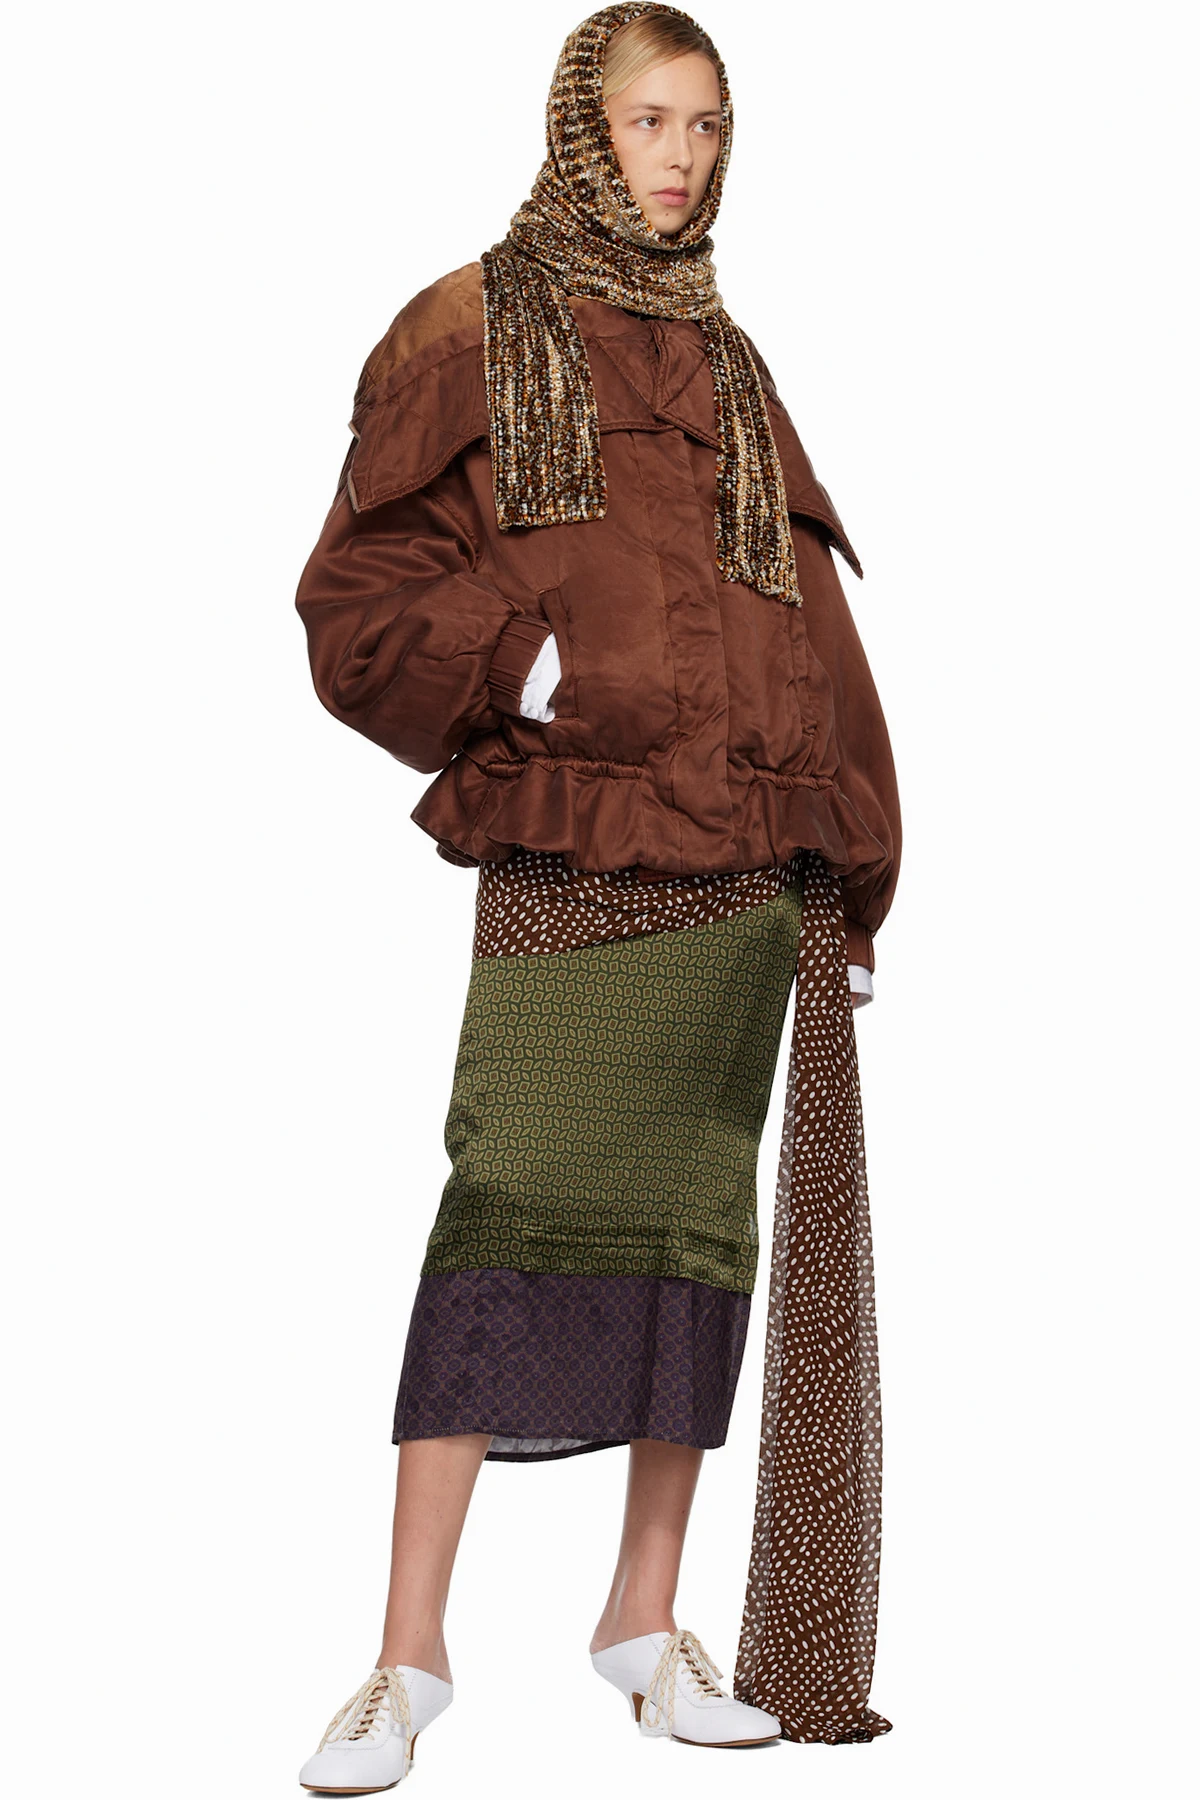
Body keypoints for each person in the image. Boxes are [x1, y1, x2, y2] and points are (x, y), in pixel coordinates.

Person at [292, 4, 901, 1789]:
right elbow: (357, 593)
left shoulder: (730, 357)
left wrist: (857, 866)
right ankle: (406, 1657)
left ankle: (644, 1620)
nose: (681, 159)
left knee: (696, 1235)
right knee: (510, 1205)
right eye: (649, 122)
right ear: (583, 128)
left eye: (707, 125)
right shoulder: (467, 326)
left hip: (746, 862)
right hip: (577, 834)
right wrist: (530, 667)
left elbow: (809, 619)